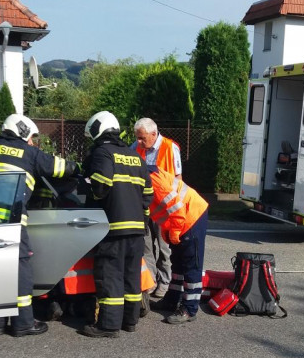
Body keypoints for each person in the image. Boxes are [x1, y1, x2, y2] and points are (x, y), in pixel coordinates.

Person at [0, 114, 80, 337]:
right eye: (31, 137)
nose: (32, 142)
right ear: (23, 132)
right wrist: (81, 167)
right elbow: (62, 168)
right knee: (21, 273)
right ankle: (24, 323)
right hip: (11, 222)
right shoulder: (30, 154)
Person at [80, 111, 152, 338]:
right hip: (136, 231)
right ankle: (129, 321)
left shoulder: (103, 153)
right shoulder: (134, 156)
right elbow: (148, 194)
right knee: (131, 277)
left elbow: (100, 185)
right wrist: (142, 223)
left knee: (110, 276)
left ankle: (108, 326)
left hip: (113, 228)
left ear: (99, 130)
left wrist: (89, 191)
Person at [146, 164, 209, 324]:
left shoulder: (151, 180)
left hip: (191, 215)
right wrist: (168, 232)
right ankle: (172, 299)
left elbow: (176, 208)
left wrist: (173, 233)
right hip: (182, 217)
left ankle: (189, 309)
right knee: (178, 263)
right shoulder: (144, 175)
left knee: (191, 264)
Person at [133, 118, 181, 298]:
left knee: (164, 248)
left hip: (163, 207)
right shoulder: (135, 147)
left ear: (154, 134)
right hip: (144, 205)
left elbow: (178, 179)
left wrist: (173, 208)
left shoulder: (170, 147)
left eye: (142, 138)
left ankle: (165, 282)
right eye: (137, 138)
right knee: (145, 247)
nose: (139, 142)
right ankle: (151, 281)